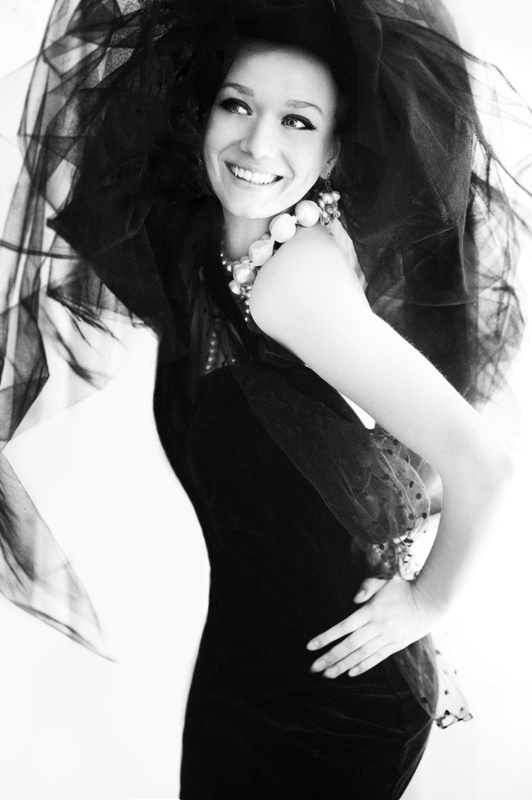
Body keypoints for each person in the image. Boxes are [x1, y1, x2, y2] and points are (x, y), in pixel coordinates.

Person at [0, 1, 527, 798]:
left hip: (329, 703)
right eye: (237, 105)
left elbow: (484, 464)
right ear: (200, 112)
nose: (257, 144)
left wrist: (425, 604)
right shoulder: (213, 247)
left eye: (297, 121)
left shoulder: (293, 283)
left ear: (333, 150)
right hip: (244, 657)